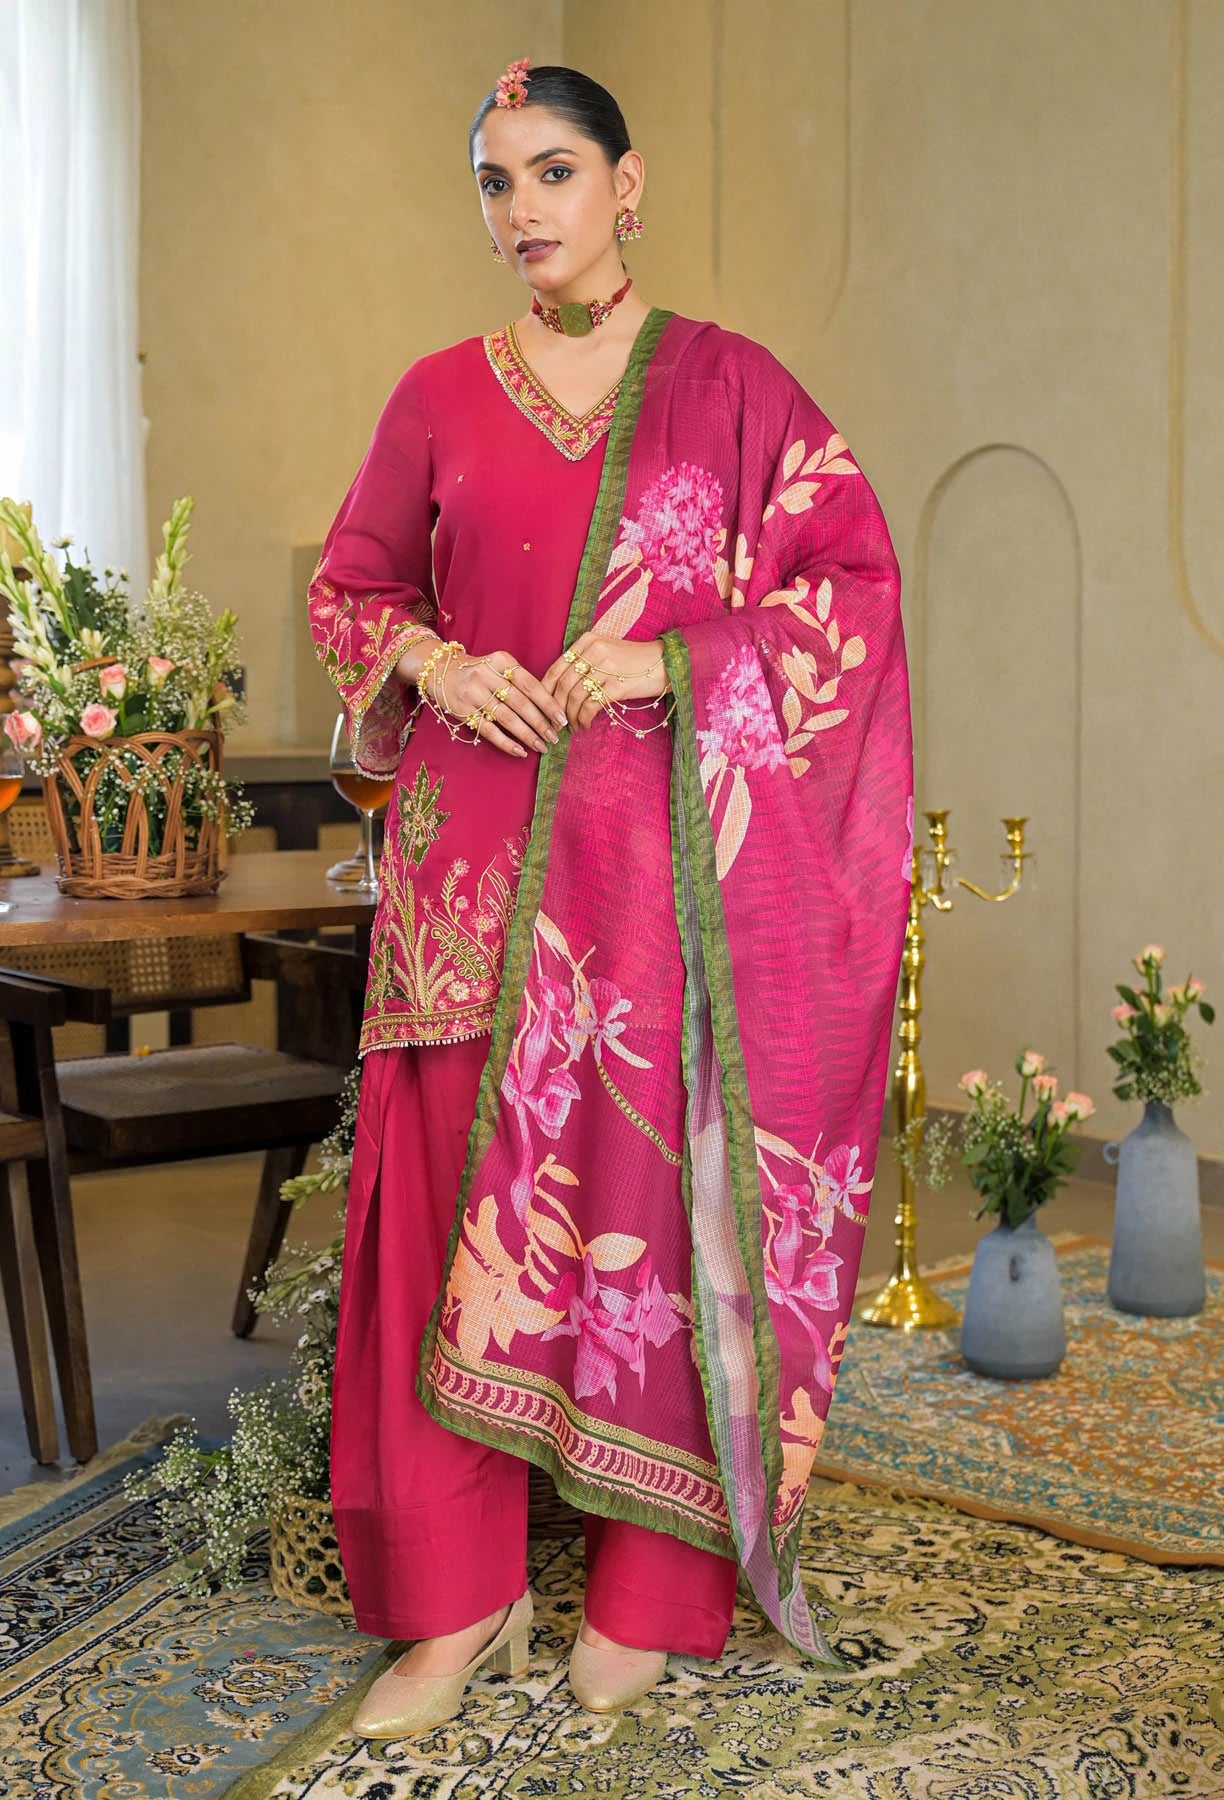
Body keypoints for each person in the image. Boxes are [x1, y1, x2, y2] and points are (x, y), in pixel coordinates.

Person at [308, 58, 912, 1740]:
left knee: (651, 1212)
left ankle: (648, 1593)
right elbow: (354, 591)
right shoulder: (437, 393)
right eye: (495, 182)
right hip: (465, 882)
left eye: (553, 172)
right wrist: (435, 660)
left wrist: (675, 654)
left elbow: (852, 586)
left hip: (652, 894)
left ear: (625, 186)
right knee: (449, 1236)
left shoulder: (733, 388)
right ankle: (458, 1605)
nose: (523, 210)